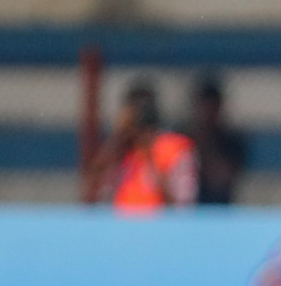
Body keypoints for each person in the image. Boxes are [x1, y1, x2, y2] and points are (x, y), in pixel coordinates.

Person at [82, 81, 198, 212]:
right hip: (121, 226)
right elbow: (92, 194)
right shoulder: (121, 150)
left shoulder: (175, 148)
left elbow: (182, 209)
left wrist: (149, 154)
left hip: (163, 227)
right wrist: (117, 138)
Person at [183, 75, 247, 205]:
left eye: (211, 108)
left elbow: (222, 179)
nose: (207, 114)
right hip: (185, 211)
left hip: (219, 210)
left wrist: (207, 144)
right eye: (203, 107)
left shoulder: (232, 141)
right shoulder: (182, 139)